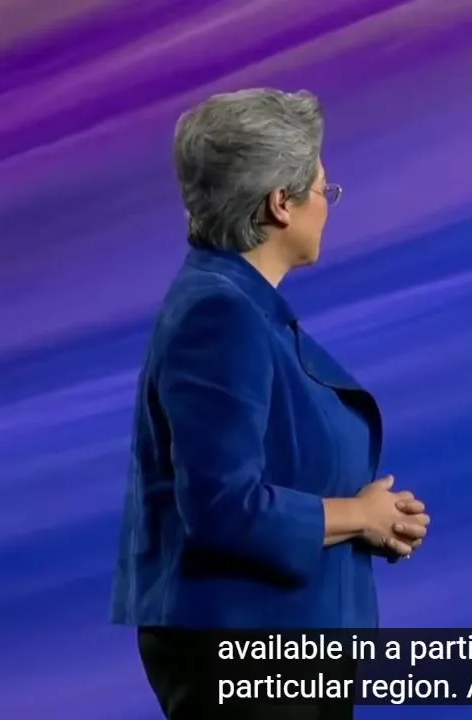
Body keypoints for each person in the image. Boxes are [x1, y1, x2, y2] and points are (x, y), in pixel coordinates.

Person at [111, 88, 431, 720]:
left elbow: (277, 469)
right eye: (324, 189)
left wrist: (373, 521)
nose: (328, 204)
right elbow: (222, 505)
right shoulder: (219, 315)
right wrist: (356, 514)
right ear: (280, 203)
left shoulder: (240, 307)